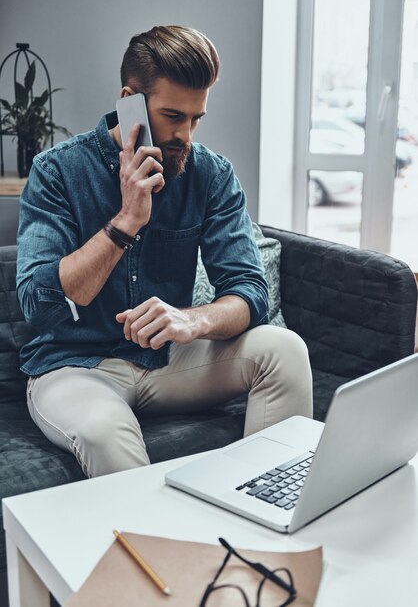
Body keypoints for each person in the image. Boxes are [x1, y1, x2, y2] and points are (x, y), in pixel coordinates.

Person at [16, 25, 312, 478]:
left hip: (169, 360)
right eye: (173, 115)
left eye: (196, 118)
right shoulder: (57, 171)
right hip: (74, 366)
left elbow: (249, 292)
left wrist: (193, 320)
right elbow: (39, 304)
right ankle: (155, 549)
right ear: (129, 99)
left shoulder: (210, 174)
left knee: (284, 349)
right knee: (102, 427)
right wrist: (126, 221)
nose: (185, 135)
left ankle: (267, 523)